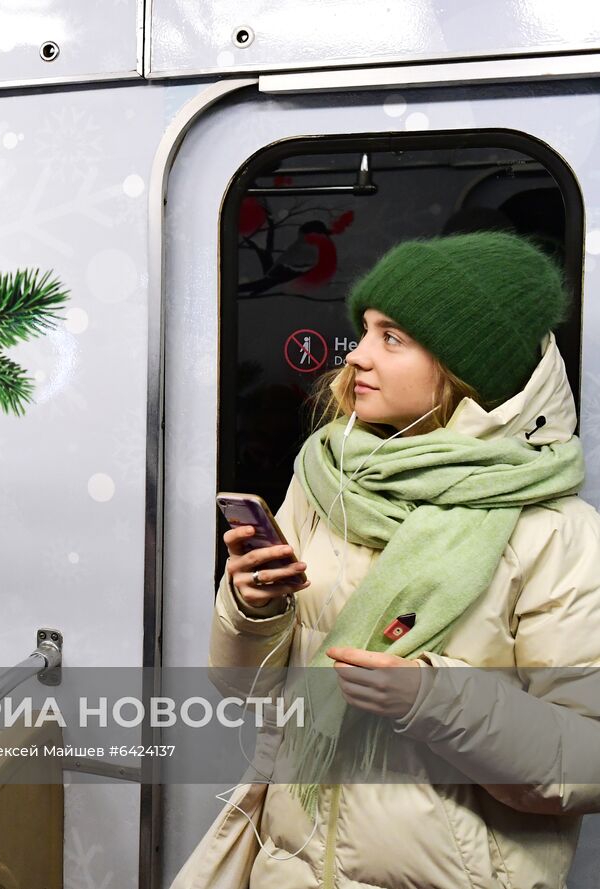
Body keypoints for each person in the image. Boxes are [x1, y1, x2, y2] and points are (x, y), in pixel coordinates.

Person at [175, 231, 600, 888]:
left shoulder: (557, 532)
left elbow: (584, 761)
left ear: (466, 367)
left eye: (391, 337)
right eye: (364, 330)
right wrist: (254, 609)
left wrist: (432, 698)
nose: (357, 357)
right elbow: (246, 689)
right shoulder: (325, 481)